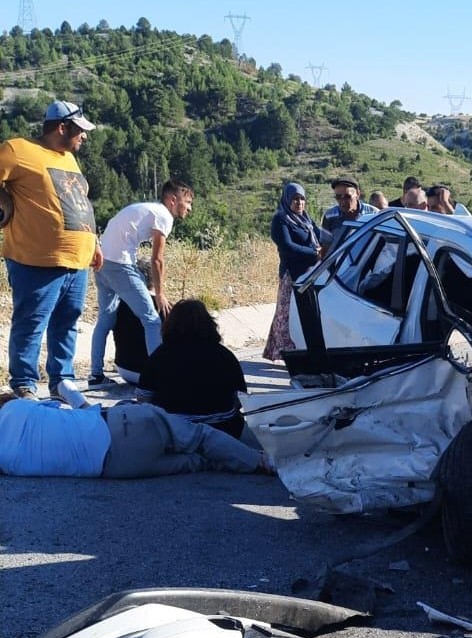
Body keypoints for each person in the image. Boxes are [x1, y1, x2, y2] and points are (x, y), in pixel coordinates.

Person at [0, 100, 102, 400]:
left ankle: (61, 381)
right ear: (62, 127)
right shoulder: (17, 150)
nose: (84, 136)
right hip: (37, 260)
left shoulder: (69, 159)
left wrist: (94, 243)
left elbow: (78, 203)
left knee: (67, 322)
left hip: (77, 260)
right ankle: (24, 384)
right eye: (80, 130)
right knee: (32, 322)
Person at [0, 391, 267, 478]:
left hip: (118, 468)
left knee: (201, 463)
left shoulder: (5, 462)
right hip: (120, 426)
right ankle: (262, 462)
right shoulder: (16, 407)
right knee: (199, 437)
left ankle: (249, 464)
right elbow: (61, 406)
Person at [87, 181, 194, 387]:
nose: (189, 208)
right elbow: (157, 260)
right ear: (173, 200)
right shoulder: (164, 215)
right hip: (120, 264)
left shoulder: (148, 209)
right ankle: (158, 378)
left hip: (102, 261)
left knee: (105, 320)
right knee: (152, 320)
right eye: (187, 202)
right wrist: (161, 294)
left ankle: (96, 375)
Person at [137, 299, 250, 439]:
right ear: (209, 323)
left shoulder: (160, 356)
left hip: (173, 432)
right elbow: (240, 398)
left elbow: (143, 397)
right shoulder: (224, 355)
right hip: (223, 430)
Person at [264, 182, 320, 362]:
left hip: (309, 273)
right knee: (285, 313)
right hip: (291, 273)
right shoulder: (280, 220)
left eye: (302, 199)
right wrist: (314, 253)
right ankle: (284, 352)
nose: (299, 203)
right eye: (295, 199)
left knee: (301, 313)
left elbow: (320, 235)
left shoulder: (306, 219)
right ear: (287, 199)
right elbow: (287, 246)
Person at [320, 177, 378, 244]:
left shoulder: (373, 214)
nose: (343, 201)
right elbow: (325, 245)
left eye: (347, 196)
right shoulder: (329, 216)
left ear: (358, 194)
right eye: (338, 197)